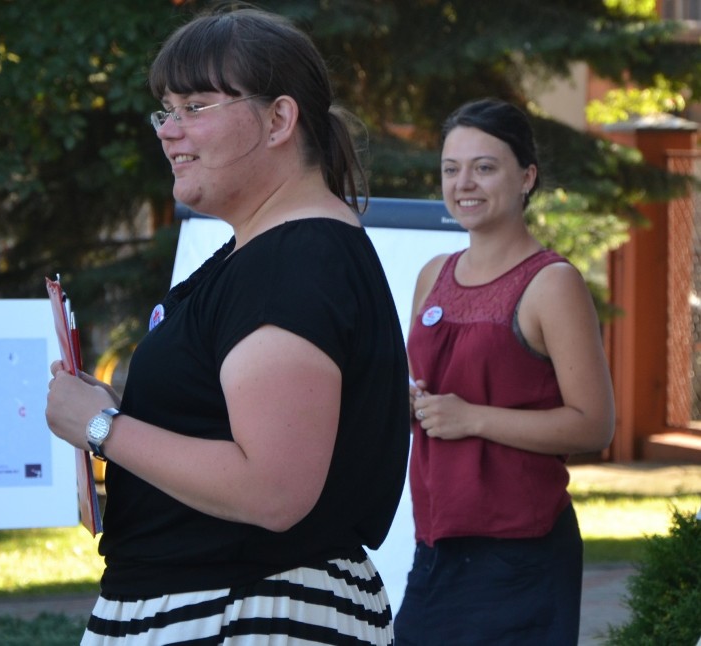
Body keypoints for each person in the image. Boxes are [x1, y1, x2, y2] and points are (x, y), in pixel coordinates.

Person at [45, 6, 411, 645]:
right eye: (167, 110)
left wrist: (102, 428)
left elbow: (273, 488)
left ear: (279, 119)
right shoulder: (271, 254)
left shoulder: (293, 262)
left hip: (250, 613)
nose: (168, 131)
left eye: (195, 106)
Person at [393, 98, 616, 645]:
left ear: (527, 177)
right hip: (435, 551)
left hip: (521, 554)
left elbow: (594, 425)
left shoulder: (551, 283)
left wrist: (472, 418)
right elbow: (421, 388)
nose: (463, 182)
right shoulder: (432, 276)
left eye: (484, 167)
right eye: (451, 169)